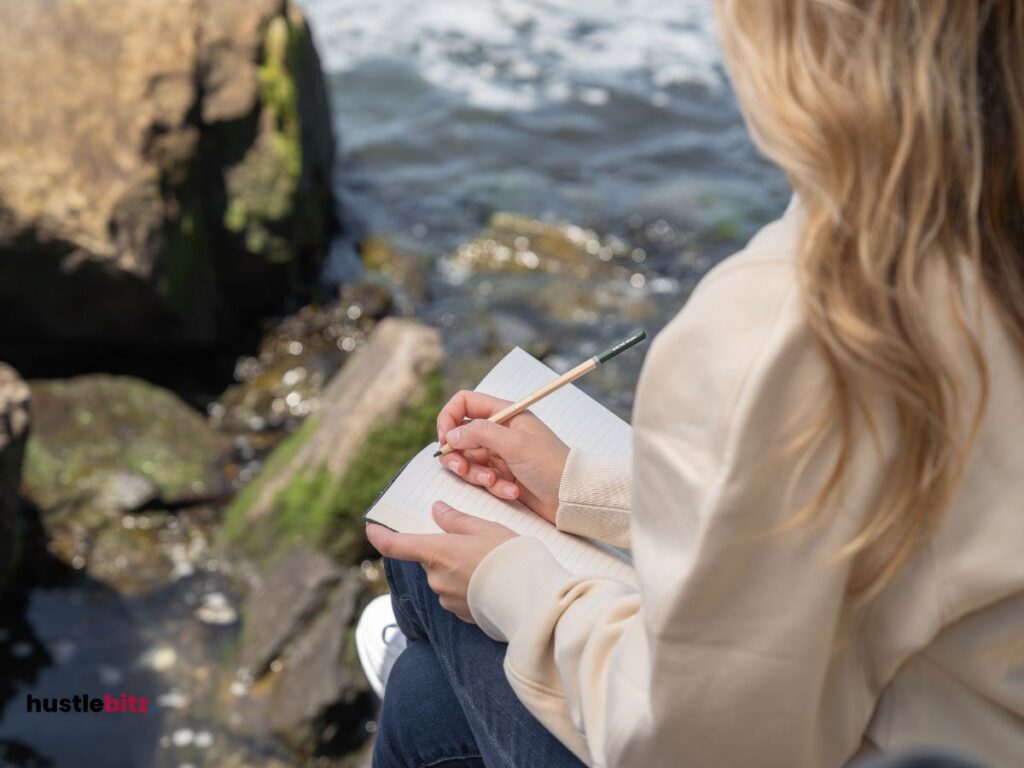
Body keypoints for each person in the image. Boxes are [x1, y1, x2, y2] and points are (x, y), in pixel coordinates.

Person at [364, 1, 1024, 765]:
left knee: (425, 590)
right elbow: (855, 521)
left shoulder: (802, 318)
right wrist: (585, 489)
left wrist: (515, 586)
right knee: (424, 699)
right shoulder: (986, 250)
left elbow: (695, 743)